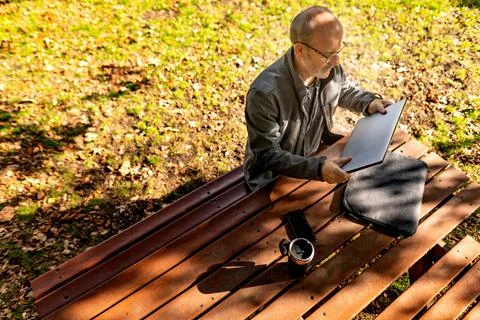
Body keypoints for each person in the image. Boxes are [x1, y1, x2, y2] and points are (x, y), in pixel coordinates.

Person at [243, 6, 393, 191]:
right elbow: (267, 154)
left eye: (339, 51)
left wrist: (368, 102)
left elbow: (342, 89)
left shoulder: (327, 68)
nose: (336, 61)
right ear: (299, 50)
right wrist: (318, 169)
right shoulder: (264, 94)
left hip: (314, 159)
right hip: (272, 180)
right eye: (329, 54)